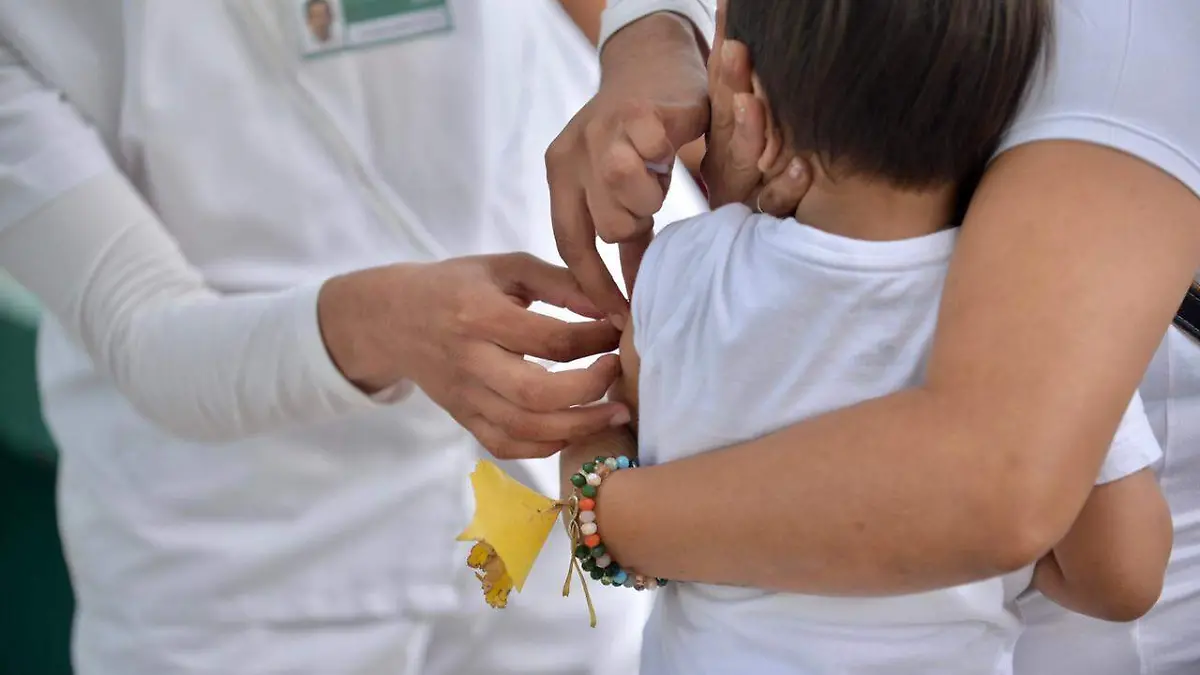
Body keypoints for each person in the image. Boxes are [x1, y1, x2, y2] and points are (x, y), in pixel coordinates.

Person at [0, 1, 665, 673]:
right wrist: (386, 322)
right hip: (236, 569)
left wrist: (655, 40)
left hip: (551, 522)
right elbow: (139, 327)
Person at [547, 1, 1200, 673]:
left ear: (743, 83)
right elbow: (1122, 573)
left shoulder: (679, 269)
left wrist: (592, 497)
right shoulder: (1050, 318)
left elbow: (616, 426)